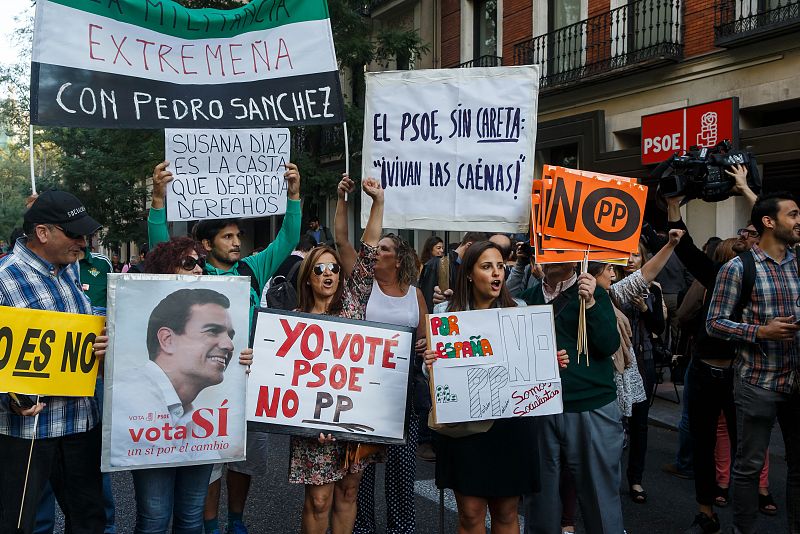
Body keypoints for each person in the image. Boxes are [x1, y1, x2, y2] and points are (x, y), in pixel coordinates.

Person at [148, 160, 302, 534]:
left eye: (238, 237)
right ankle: (210, 522)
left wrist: (293, 195)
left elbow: (288, 239)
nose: (237, 243)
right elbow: (159, 245)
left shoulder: (250, 270)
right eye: (228, 237)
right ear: (206, 244)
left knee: (245, 459)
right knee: (210, 457)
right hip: (210, 382)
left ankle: (236, 518)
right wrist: (157, 199)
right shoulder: (189, 272)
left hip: (249, 377)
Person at [423, 240, 568, 534]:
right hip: (466, 426)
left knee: (506, 511)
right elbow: (437, 383)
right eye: (487, 266)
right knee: (471, 514)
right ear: (468, 274)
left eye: (500, 266)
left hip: (511, 427)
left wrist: (549, 362)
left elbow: (531, 367)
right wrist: (431, 364)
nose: (496, 274)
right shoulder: (444, 314)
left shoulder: (522, 310)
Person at [0, 190, 110, 534]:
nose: (83, 241)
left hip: (79, 423)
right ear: (43, 233)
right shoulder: (4, 278)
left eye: (85, 234)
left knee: (90, 521)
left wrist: (99, 338)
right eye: (74, 234)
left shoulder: (69, 272)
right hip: (26, 431)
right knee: (17, 524)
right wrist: (8, 395)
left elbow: (76, 332)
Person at [661, 167, 762, 533]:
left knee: (746, 449)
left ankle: (746, 516)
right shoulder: (718, 275)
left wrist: (745, 189)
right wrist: (674, 206)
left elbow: (776, 223)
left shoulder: (771, 275)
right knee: (703, 445)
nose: (744, 238)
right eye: (741, 236)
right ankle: (706, 512)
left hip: (742, 374)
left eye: (750, 235)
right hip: (705, 372)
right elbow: (684, 246)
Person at [333, 175, 428, 534]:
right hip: (364, 392)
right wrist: (344, 199)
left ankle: (401, 528)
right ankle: (362, 528)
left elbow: (426, 337)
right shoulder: (362, 284)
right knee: (362, 470)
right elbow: (342, 238)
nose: (376, 253)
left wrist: (425, 346)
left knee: (402, 470)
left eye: (384, 249)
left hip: (401, 394)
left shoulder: (413, 294)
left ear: (399, 258)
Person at [289, 177, 385, 534]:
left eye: (333, 269)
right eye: (320, 269)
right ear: (308, 278)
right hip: (311, 424)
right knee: (318, 500)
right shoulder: (294, 323)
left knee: (347, 493)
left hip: (353, 420)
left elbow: (370, 246)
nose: (328, 274)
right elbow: (285, 376)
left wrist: (377, 202)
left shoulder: (354, 302)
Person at [706, 191, 800, 534]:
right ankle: (742, 530)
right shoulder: (738, 267)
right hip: (758, 382)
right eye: (792, 214)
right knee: (749, 466)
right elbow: (714, 322)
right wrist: (760, 331)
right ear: (769, 222)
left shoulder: (798, 262)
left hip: (796, 380)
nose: (799, 220)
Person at [519, 260, 622, 534]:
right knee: (540, 496)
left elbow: (609, 344)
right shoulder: (526, 299)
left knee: (599, 495)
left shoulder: (594, 292)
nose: (553, 257)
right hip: (539, 406)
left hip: (591, 405)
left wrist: (590, 305)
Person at [418, 231, 488, 313]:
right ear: (469, 245)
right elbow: (426, 299)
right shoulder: (439, 263)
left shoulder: (468, 268)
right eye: (478, 253)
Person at [260, 234, 317, 306]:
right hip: (294, 311)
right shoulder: (305, 267)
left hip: (273, 307)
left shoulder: (280, 260)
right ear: (312, 248)